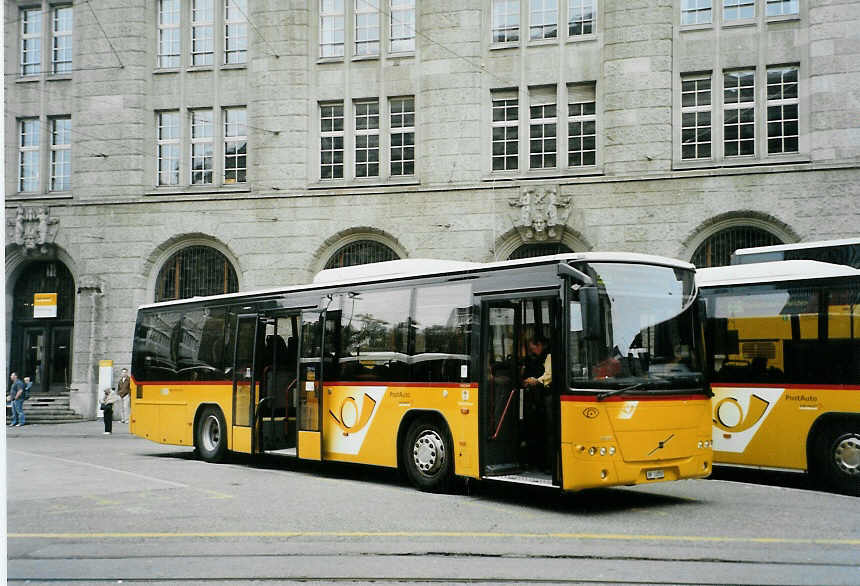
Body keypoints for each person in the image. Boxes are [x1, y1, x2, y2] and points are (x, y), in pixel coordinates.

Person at [522, 335, 553, 473]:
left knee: (547, 431)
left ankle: (547, 464)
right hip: (540, 397)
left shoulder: (549, 356)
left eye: (532, 348)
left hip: (548, 397)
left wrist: (535, 381)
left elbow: (549, 376)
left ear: (539, 344)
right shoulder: (538, 358)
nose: (531, 352)